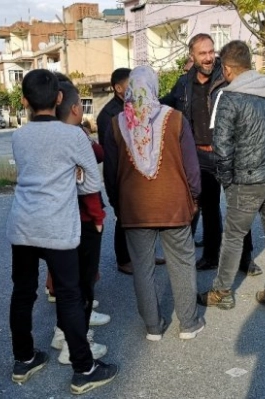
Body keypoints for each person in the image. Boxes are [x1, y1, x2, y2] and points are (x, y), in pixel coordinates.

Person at [5, 69, 118, 393]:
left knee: (23, 293)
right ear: (59, 98)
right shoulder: (72, 136)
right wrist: (74, 178)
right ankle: (83, 368)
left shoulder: (18, 136)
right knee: (69, 295)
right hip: (57, 227)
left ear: (24, 101)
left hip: (23, 224)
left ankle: (24, 359)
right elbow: (92, 184)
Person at [104, 66, 205, 341]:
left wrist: (117, 205)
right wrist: (194, 197)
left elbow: (110, 173)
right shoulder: (175, 119)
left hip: (135, 209)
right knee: (183, 264)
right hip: (173, 205)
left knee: (142, 268)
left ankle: (153, 327)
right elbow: (192, 168)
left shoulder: (116, 123)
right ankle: (189, 324)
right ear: (154, 87)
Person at [197, 41, 265, 313]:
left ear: (227, 68)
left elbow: (222, 148)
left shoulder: (228, 98)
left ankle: (222, 293)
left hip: (245, 182)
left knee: (233, 237)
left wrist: (228, 180)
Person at [161, 33, 261, 277]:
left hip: (228, 154)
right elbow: (165, 105)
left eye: (210, 52)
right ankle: (211, 255)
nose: (208, 58)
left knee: (238, 208)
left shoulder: (228, 78)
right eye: (202, 53)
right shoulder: (184, 83)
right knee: (209, 208)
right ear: (192, 56)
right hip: (199, 156)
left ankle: (245, 258)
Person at [46, 80, 111, 365]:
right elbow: (91, 181)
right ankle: (76, 345)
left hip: (54, 218)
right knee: (81, 287)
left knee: (67, 285)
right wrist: (98, 218)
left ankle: (63, 333)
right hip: (82, 219)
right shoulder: (75, 137)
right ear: (75, 108)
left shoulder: (42, 134)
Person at [98, 68, 165, 275]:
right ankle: (124, 259)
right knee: (123, 219)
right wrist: (114, 189)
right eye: (132, 83)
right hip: (122, 174)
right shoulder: (108, 115)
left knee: (145, 217)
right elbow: (109, 155)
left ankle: (146, 253)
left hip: (142, 171)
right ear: (118, 88)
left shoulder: (141, 105)